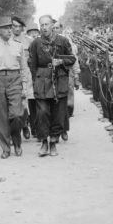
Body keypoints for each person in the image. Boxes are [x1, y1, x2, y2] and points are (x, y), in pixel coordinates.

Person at [29, 14, 76, 157]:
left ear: (52, 25)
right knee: (42, 113)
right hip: (42, 80)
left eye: (46, 24)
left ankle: (53, 142)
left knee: (58, 113)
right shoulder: (35, 43)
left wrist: (61, 62)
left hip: (59, 80)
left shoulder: (62, 41)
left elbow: (72, 59)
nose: (44, 28)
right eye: (41, 25)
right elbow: (32, 64)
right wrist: (34, 81)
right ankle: (44, 142)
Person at [0, 16, 29, 158]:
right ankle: (6, 148)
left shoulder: (18, 46)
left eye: (11, 28)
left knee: (16, 114)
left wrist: (25, 86)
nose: (10, 30)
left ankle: (17, 142)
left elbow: (24, 68)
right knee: (1, 117)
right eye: (6, 28)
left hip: (15, 79)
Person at [11, 16, 34, 140]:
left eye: (19, 26)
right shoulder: (7, 40)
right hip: (12, 75)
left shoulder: (28, 41)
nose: (16, 28)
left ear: (22, 27)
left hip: (25, 74)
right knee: (14, 104)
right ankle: (15, 130)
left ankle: (24, 124)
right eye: (14, 26)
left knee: (25, 104)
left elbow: (33, 57)